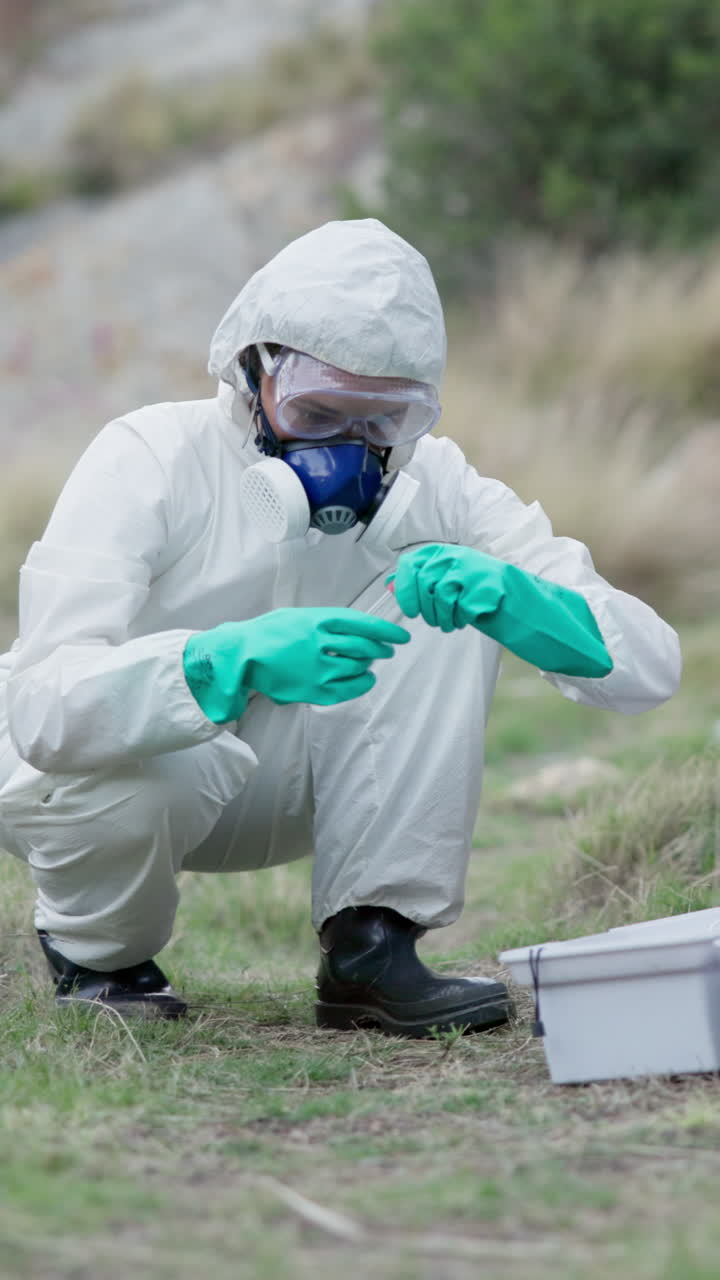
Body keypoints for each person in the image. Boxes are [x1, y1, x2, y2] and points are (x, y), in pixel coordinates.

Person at [0, 219, 681, 1034]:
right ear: (252, 371)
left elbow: (650, 669)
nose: (351, 451)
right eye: (318, 412)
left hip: (287, 785)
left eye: (384, 421)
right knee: (156, 768)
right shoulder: (149, 455)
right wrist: (221, 662)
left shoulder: (436, 484)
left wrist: (521, 601)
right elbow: (42, 707)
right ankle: (99, 956)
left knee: (444, 593)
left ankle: (371, 953)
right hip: (112, 774)